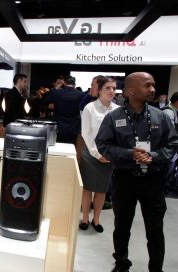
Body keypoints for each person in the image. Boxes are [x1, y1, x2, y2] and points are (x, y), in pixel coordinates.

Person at [95, 72, 178, 272]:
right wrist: (129, 154)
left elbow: (172, 142)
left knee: (155, 229)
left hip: (153, 181)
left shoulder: (160, 116)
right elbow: (102, 144)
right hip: (125, 179)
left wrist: (155, 156)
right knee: (121, 226)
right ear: (131, 91)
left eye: (153, 85)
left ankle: (156, 268)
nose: (153, 90)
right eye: (147, 86)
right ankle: (122, 263)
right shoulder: (114, 118)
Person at [79, 77, 119, 233]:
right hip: (90, 153)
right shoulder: (90, 108)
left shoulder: (117, 110)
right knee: (87, 188)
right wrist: (97, 153)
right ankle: (84, 218)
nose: (111, 91)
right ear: (100, 90)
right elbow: (86, 133)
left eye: (114, 88)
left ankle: (96, 218)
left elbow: (119, 135)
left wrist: (110, 153)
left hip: (108, 155)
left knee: (102, 189)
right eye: (108, 88)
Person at [42, 75, 84, 144]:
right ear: (75, 84)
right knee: (71, 149)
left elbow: (45, 101)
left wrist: (55, 89)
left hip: (58, 127)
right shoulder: (81, 94)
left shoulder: (57, 93)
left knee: (58, 149)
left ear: (64, 83)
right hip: (73, 128)